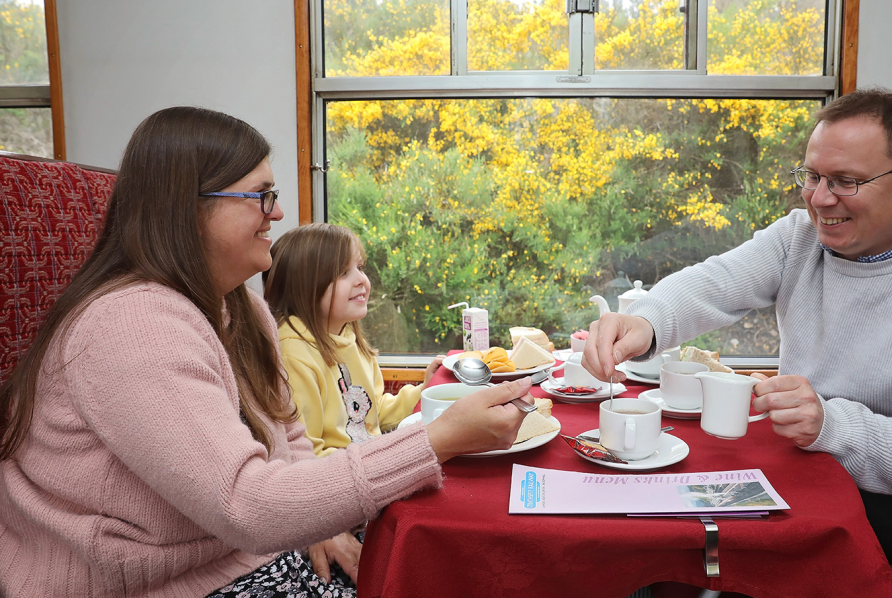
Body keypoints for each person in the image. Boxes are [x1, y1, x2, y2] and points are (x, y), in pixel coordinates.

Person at [0, 106, 533, 598]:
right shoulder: (131, 326)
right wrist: (435, 442)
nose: (276, 214)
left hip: (245, 553)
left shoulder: (246, 311)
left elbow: (292, 438)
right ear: (190, 208)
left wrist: (313, 528)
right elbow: (248, 505)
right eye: (260, 196)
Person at [582, 88, 892, 565]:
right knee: (651, 497)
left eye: (844, 181)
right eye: (812, 175)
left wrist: (831, 425)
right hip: (808, 459)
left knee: (676, 520)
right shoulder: (798, 238)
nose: (819, 199)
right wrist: (645, 321)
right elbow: (711, 284)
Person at [262, 223, 445, 585]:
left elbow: (372, 411)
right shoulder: (295, 352)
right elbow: (304, 455)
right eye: (344, 273)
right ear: (305, 284)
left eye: (359, 267)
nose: (361, 279)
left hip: (368, 480)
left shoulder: (348, 338)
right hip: (336, 504)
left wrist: (423, 393)